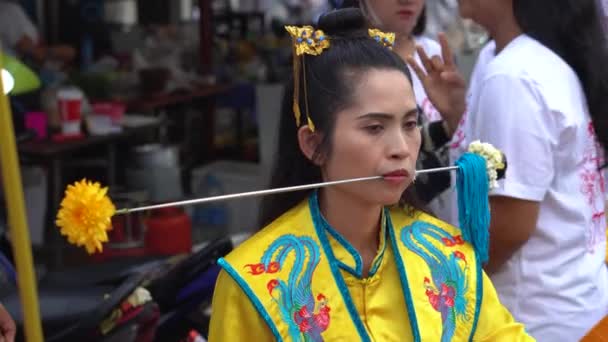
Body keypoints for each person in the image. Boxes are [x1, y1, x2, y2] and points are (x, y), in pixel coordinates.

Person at [208, 8, 531, 341]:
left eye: (410, 124)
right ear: (313, 143)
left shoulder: (448, 257)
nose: (402, 148)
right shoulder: (254, 282)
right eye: (375, 127)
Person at [408, 0, 608, 340]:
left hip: (536, 321)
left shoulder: (515, 75)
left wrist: (448, 288)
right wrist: (460, 117)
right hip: (577, 307)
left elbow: (509, 226)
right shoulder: (521, 60)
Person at [353, 0, 467, 223]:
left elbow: (463, 147)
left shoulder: (434, 54)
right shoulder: (342, 60)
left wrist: (457, 116)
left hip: (442, 230)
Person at [0, 0, 74, 65]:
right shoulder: (8, 11)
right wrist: (60, 52)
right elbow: (34, 53)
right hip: (23, 68)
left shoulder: (10, 8)